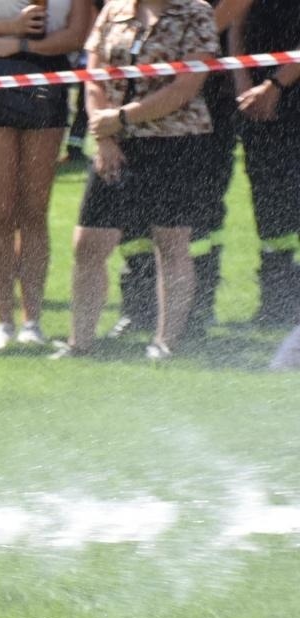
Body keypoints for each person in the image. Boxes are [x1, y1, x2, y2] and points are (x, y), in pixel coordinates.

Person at [55, 0, 217, 361]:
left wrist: (125, 118)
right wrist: (105, 136)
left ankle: (164, 343)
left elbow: (186, 86)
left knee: (171, 243)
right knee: (89, 244)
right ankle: (79, 343)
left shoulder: (195, 11)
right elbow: (94, 76)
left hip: (174, 141)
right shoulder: (114, 9)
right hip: (115, 144)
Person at [0, 0, 93, 350]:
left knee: (34, 210)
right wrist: (11, 25)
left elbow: (79, 35)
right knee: (0, 212)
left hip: (47, 85)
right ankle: (3, 323)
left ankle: (32, 322)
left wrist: (23, 44)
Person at [232, 0, 300, 325]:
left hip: (284, 93)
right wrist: (244, 86)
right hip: (259, 103)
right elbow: (235, 27)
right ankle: (276, 306)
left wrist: (275, 85)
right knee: (270, 203)